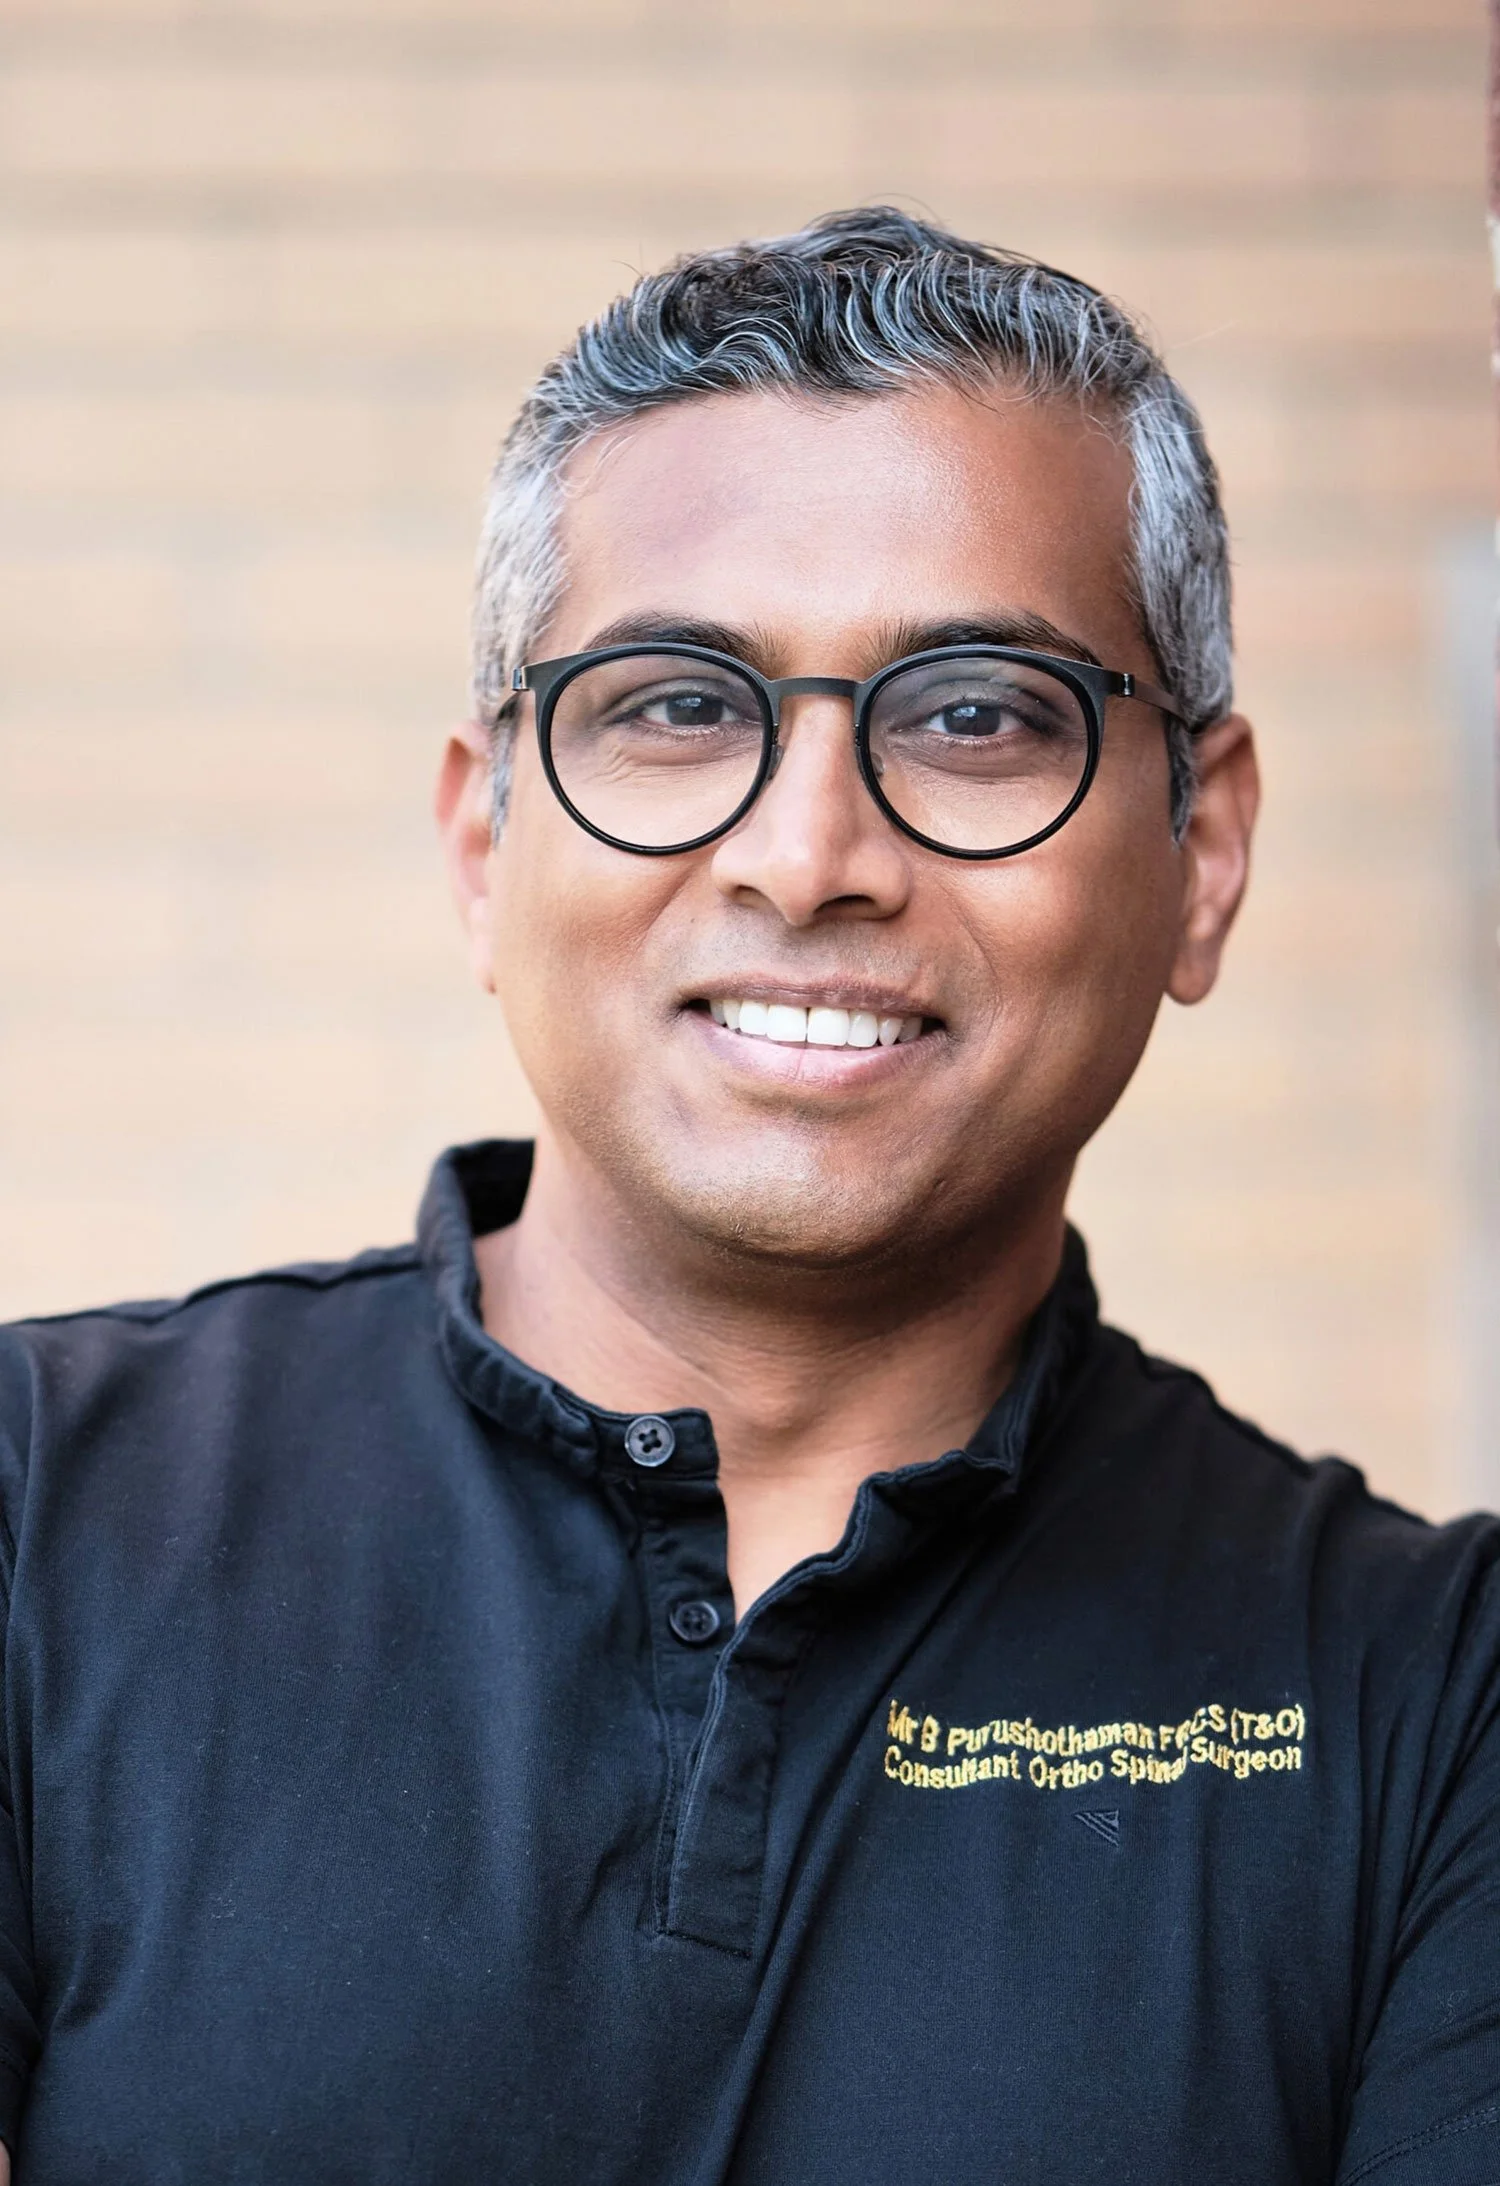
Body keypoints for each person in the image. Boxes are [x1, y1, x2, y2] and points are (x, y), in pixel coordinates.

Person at [0, 208, 1493, 2186]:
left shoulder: (1429, 1707)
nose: (808, 856)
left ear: (1198, 851)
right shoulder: (41, 1518)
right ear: (485, 839)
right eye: (677, 704)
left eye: (974, 715)